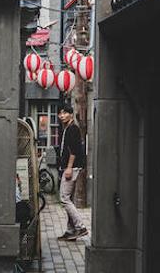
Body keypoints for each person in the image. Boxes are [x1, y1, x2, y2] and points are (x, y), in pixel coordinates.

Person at [56, 102, 88, 241]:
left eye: (64, 113)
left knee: (64, 198)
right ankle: (71, 230)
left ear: (70, 114)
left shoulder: (73, 129)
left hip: (72, 167)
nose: (61, 115)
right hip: (69, 167)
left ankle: (80, 227)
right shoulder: (67, 128)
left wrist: (69, 167)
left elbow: (74, 151)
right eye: (60, 113)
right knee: (68, 199)